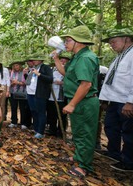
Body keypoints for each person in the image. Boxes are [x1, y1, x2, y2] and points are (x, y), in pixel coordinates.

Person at [52, 25, 99, 178]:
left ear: (78, 41)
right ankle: (79, 157)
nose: (65, 44)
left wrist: (72, 104)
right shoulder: (77, 57)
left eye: (68, 40)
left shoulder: (85, 58)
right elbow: (66, 73)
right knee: (78, 132)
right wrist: (56, 59)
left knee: (85, 134)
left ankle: (84, 166)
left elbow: (86, 84)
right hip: (78, 100)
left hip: (84, 101)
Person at [97, 28, 133, 172]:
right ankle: (114, 154)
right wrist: (105, 100)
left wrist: (131, 102)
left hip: (126, 102)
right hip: (114, 100)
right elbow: (111, 80)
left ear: (126, 39)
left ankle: (128, 162)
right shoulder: (119, 56)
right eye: (110, 42)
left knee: (128, 132)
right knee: (111, 127)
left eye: (114, 41)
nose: (111, 45)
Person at [26, 54, 53, 139]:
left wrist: (39, 74)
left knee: (41, 112)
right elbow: (29, 81)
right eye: (33, 60)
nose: (33, 61)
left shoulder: (45, 68)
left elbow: (50, 79)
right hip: (30, 93)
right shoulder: (33, 68)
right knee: (33, 111)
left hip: (40, 94)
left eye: (35, 60)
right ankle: (36, 129)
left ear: (41, 60)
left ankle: (41, 131)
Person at [46, 53, 71, 137]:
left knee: (62, 115)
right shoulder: (52, 70)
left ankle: (61, 132)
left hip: (62, 97)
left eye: (65, 61)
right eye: (61, 60)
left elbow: (72, 82)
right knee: (52, 114)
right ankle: (52, 130)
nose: (63, 62)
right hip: (51, 96)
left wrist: (62, 83)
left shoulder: (69, 71)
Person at [8, 61, 27, 129]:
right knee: (13, 107)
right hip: (13, 92)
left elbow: (27, 83)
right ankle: (14, 122)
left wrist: (18, 83)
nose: (16, 67)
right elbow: (10, 81)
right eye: (15, 66)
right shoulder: (12, 72)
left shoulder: (24, 72)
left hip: (22, 92)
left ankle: (23, 123)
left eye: (17, 65)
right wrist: (12, 83)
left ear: (20, 66)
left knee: (22, 108)